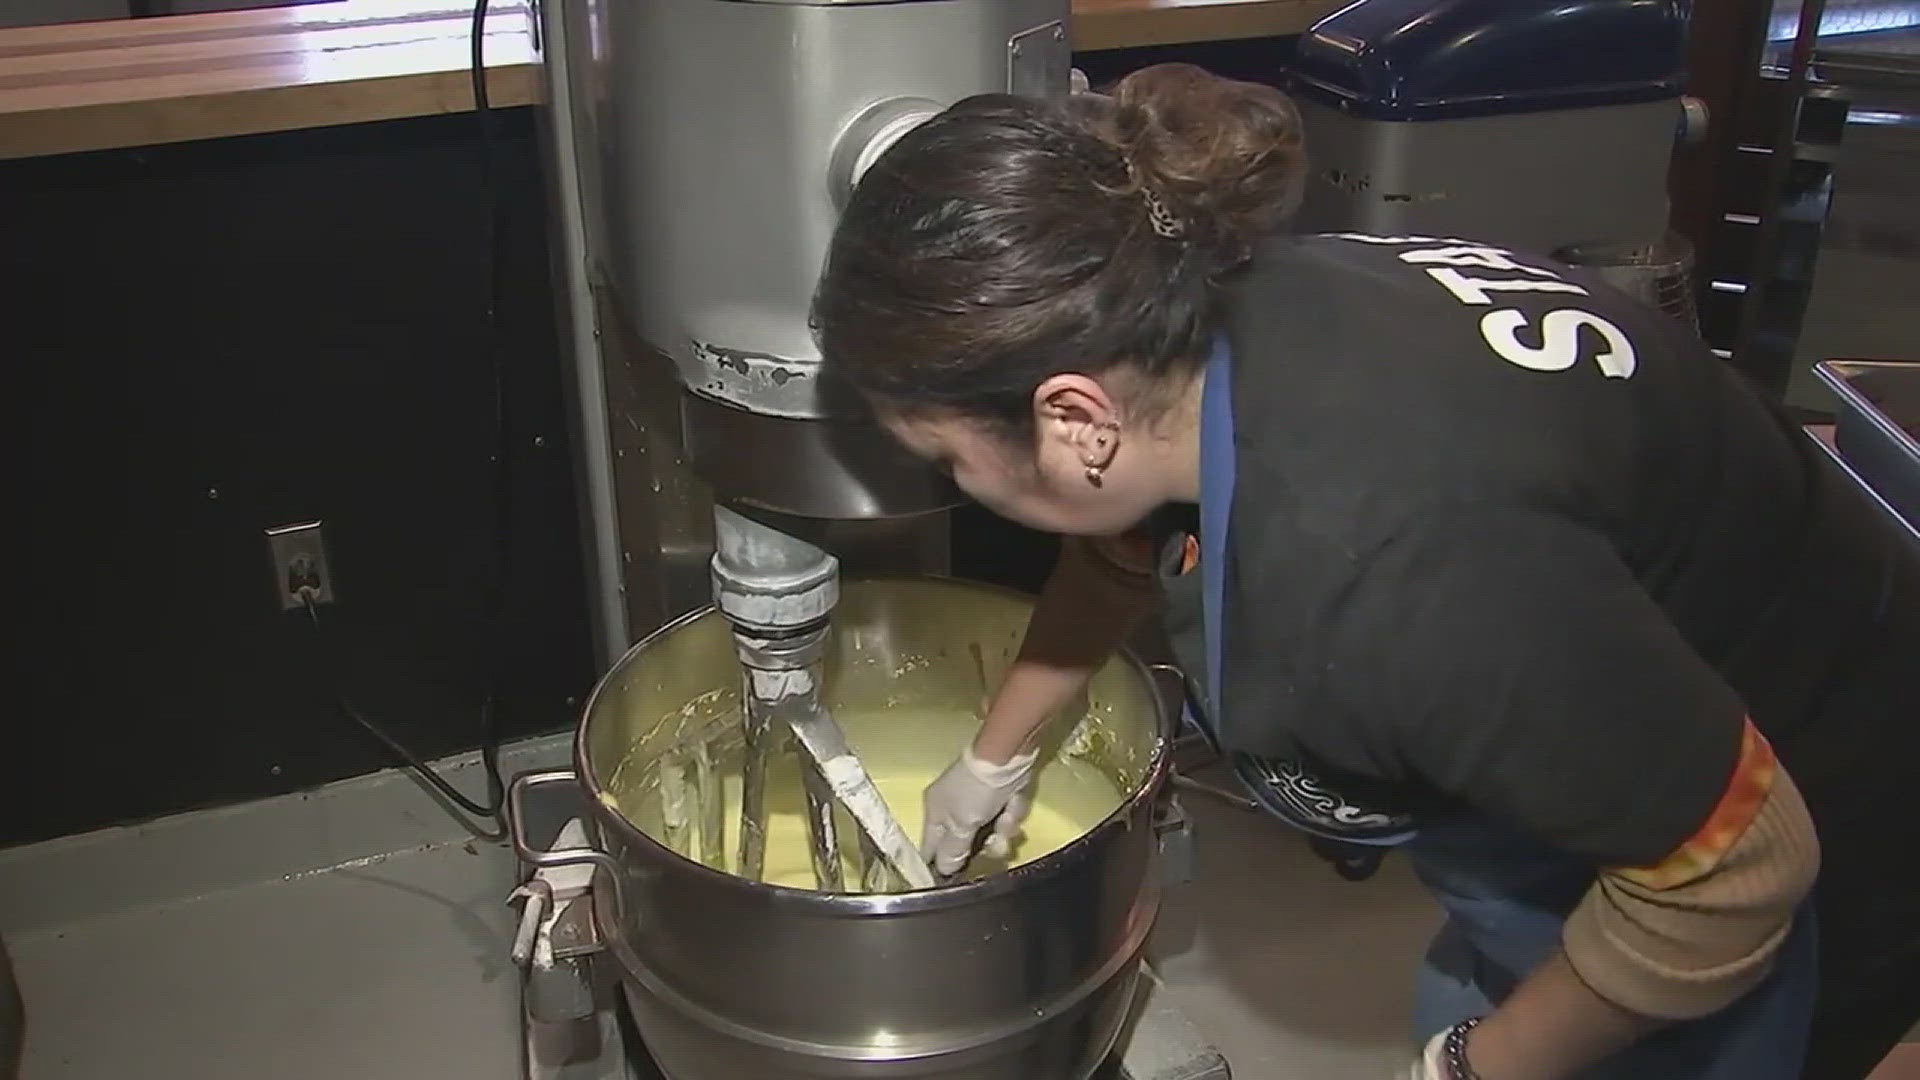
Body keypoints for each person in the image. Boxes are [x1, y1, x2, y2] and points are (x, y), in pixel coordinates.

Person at [812, 62, 1920, 1080]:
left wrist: (1475, 1066)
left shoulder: (1395, 571)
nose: (955, 483)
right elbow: (1124, 544)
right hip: (1605, 721)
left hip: (1811, 796)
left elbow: (1728, 882)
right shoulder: (1208, 309)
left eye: (947, 458)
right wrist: (992, 757)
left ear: (1073, 419)